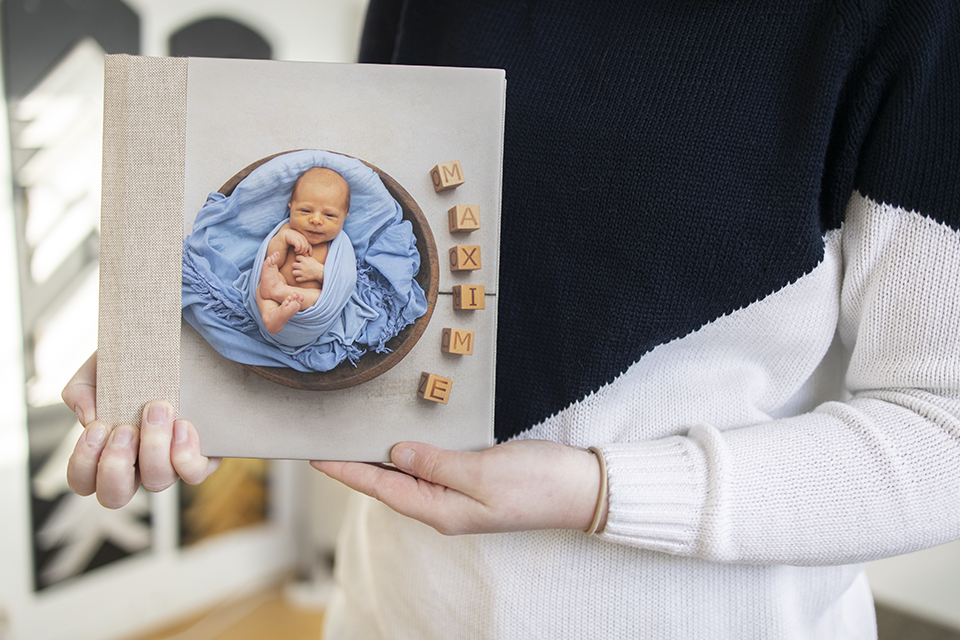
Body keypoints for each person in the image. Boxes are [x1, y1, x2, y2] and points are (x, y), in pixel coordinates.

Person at [64, 0, 959, 638]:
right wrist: (194, 358)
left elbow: (944, 432)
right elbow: (387, 224)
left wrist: (601, 490)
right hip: (391, 611)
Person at [255, 167, 351, 334]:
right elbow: (271, 261)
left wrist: (320, 272)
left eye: (329, 215)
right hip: (276, 301)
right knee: (264, 282)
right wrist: (283, 238)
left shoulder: (338, 245)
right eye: (305, 211)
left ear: (344, 217)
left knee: (316, 296)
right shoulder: (287, 230)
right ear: (291, 207)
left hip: (307, 309)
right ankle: (270, 315)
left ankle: (279, 292)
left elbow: (344, 281)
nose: (315, 220)